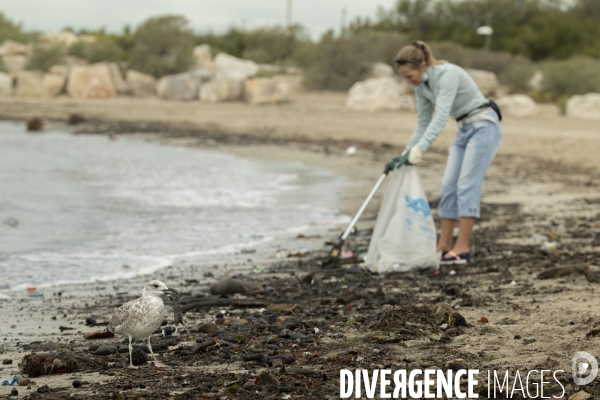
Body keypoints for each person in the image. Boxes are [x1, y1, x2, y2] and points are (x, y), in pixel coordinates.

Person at [388, 40, 502, 265]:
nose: (409, 82)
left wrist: (420, 151)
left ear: (422, 65)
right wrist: (406, 153)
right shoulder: (421, 87)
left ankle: (463, 248)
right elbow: (423, 123)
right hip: (464, 129)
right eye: (404, 78)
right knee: (449, 186)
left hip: (484, 126)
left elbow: (440, 117)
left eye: (410, 76)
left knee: (466, 185)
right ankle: (443, 245)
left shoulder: (448, 74)